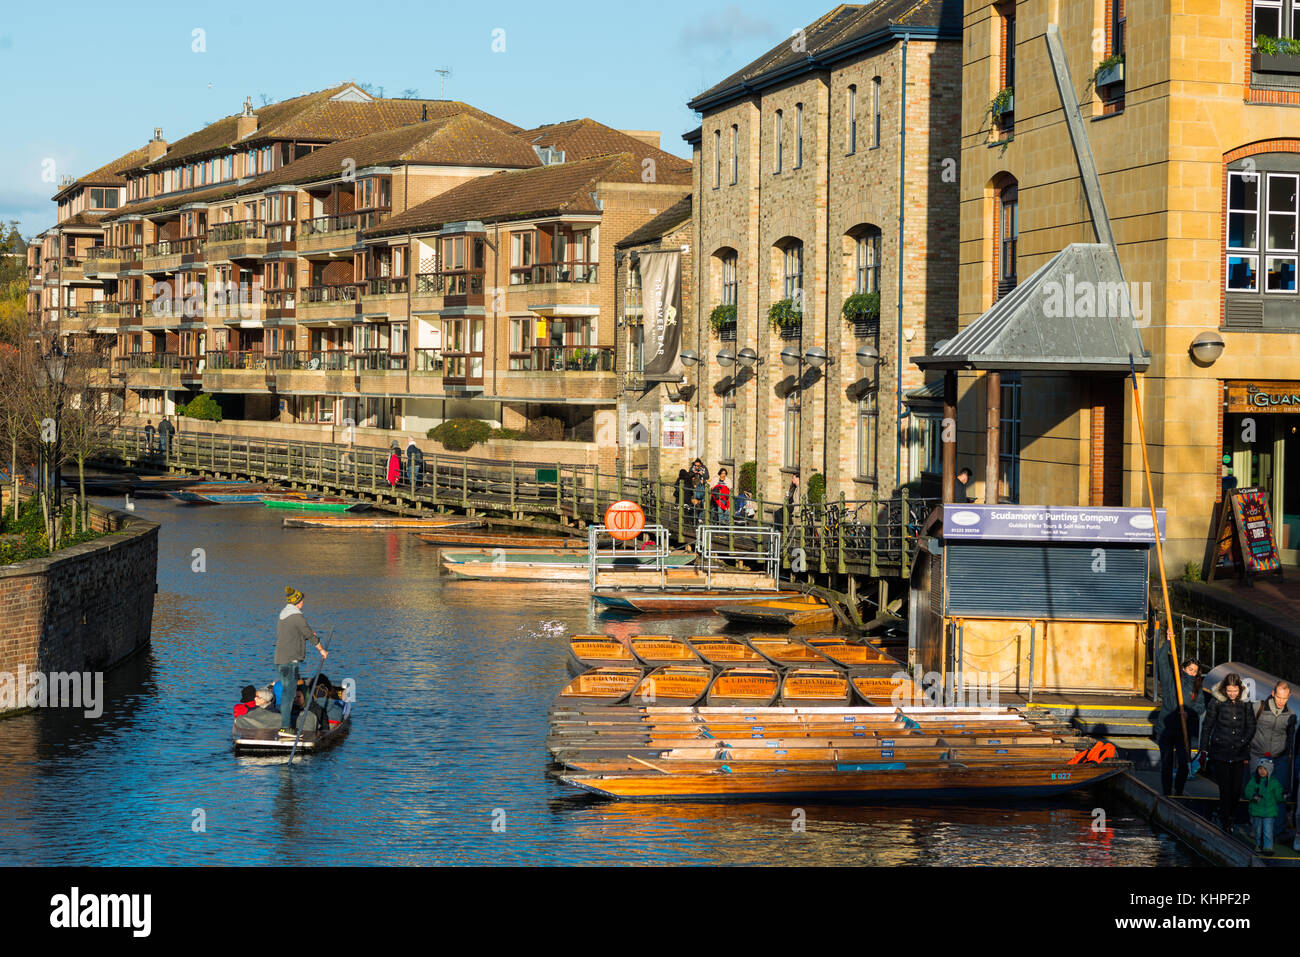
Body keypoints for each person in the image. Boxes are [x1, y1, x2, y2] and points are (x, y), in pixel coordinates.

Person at [1200, 672, 1257, 831]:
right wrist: (1203, 749)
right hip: (1220, 750)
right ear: (1225, 689)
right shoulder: (1217, 701)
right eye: (1229, 691)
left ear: (1239, 689)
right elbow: (1207, 726)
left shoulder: (1246, 703)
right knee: (1225, 787)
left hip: (1239, 751)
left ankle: (1228, 813)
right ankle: (1226, 820)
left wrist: (1243, 742)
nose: (1232, 694)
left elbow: (1251, 725)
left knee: (1237, 788)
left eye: (1235, 691)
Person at [1154, 632, 1205, 796]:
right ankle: (1167, 792)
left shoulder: (1197, 688)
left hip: (1184, 731)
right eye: (1190, 669)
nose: (1192, 673)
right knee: (1167, 762)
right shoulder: (1172, 680)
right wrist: (1168, 643)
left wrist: (1189, 714)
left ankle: (1179, 791)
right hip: (1166, 730)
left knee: (1184, 763)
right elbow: (1162, 661)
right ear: (1183, 668)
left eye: (1195, 671)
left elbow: (1200, 706)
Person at [274, 586, 328, 738]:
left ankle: (285, 725)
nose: (303, 602)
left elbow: (291, 636)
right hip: (290, 661)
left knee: (286, 692)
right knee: (289, 694)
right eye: (302, 600)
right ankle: (285, 728)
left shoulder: (283, 615)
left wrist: (305, 636)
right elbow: (309, 635)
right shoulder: (297, 616)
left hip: (280, 660)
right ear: (297, 601)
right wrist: (321, 650)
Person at [1250, 680, 1295, 841]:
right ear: (1273, 693)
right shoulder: (1259, 707)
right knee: (1257, 792)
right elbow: (1248, 727)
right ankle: (1256, 829)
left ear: (1288, 697)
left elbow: (1290, 738)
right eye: (1278, 697)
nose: (1281, 701)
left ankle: (1278, 829)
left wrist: (1287, 756)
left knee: (1279, 793)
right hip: (1258, 754)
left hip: (1278, 758)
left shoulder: (1290, 715)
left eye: (1284, 698)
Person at [1246, 759, 1284, 854]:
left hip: (1269, 812)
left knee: (1268, 831)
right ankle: (1258, 845)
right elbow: (1248, 791)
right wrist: (1253, 796)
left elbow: (1278, 796)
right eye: (1260, 768)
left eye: (1264, 769)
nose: (1262, 771)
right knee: (1257, 831)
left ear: (1270, 770)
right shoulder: (1254, 781)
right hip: (1256, 811)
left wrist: (1283, 796)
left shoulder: (1274, 783)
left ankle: (1268, 847)